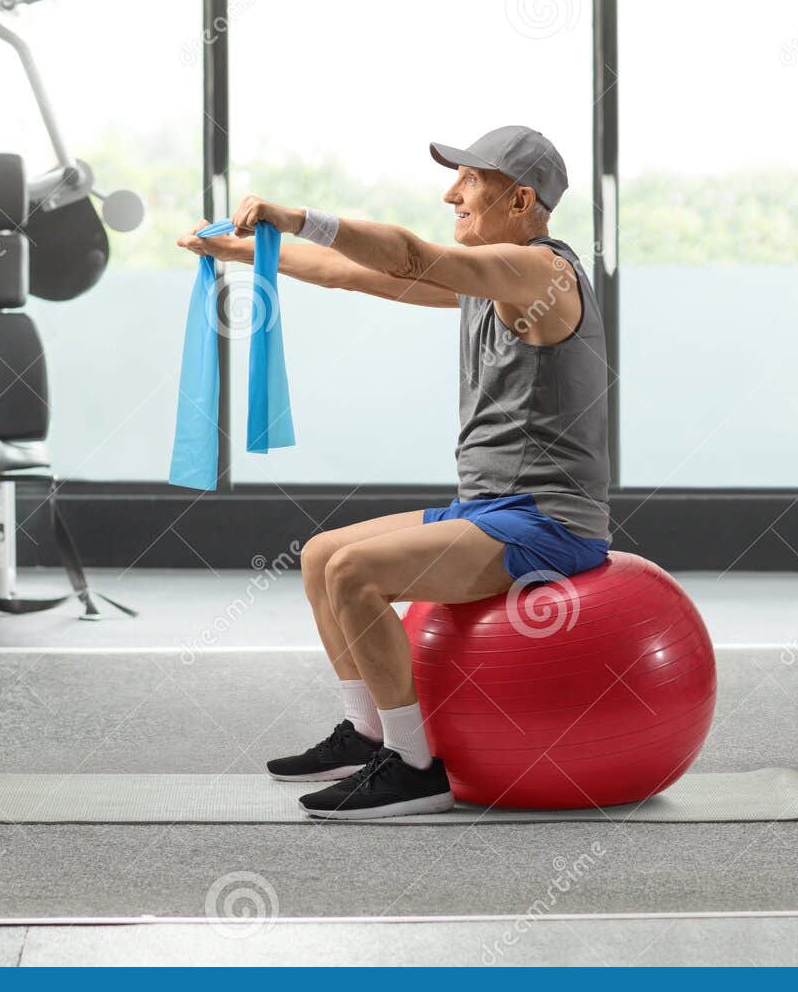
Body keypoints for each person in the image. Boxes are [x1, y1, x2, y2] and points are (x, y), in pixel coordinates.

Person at [177, 126, 610, 819]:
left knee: (356, 574)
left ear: (522, 199)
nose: (451, 193)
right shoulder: (486, 283)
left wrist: (299, 216)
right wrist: (244, 251)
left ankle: (414, 767)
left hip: (550, 523)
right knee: (322, 556)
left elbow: (411, 253)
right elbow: (358, 273)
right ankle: (368, 733)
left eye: (468, 182)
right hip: (486, 508)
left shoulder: (540, 273)